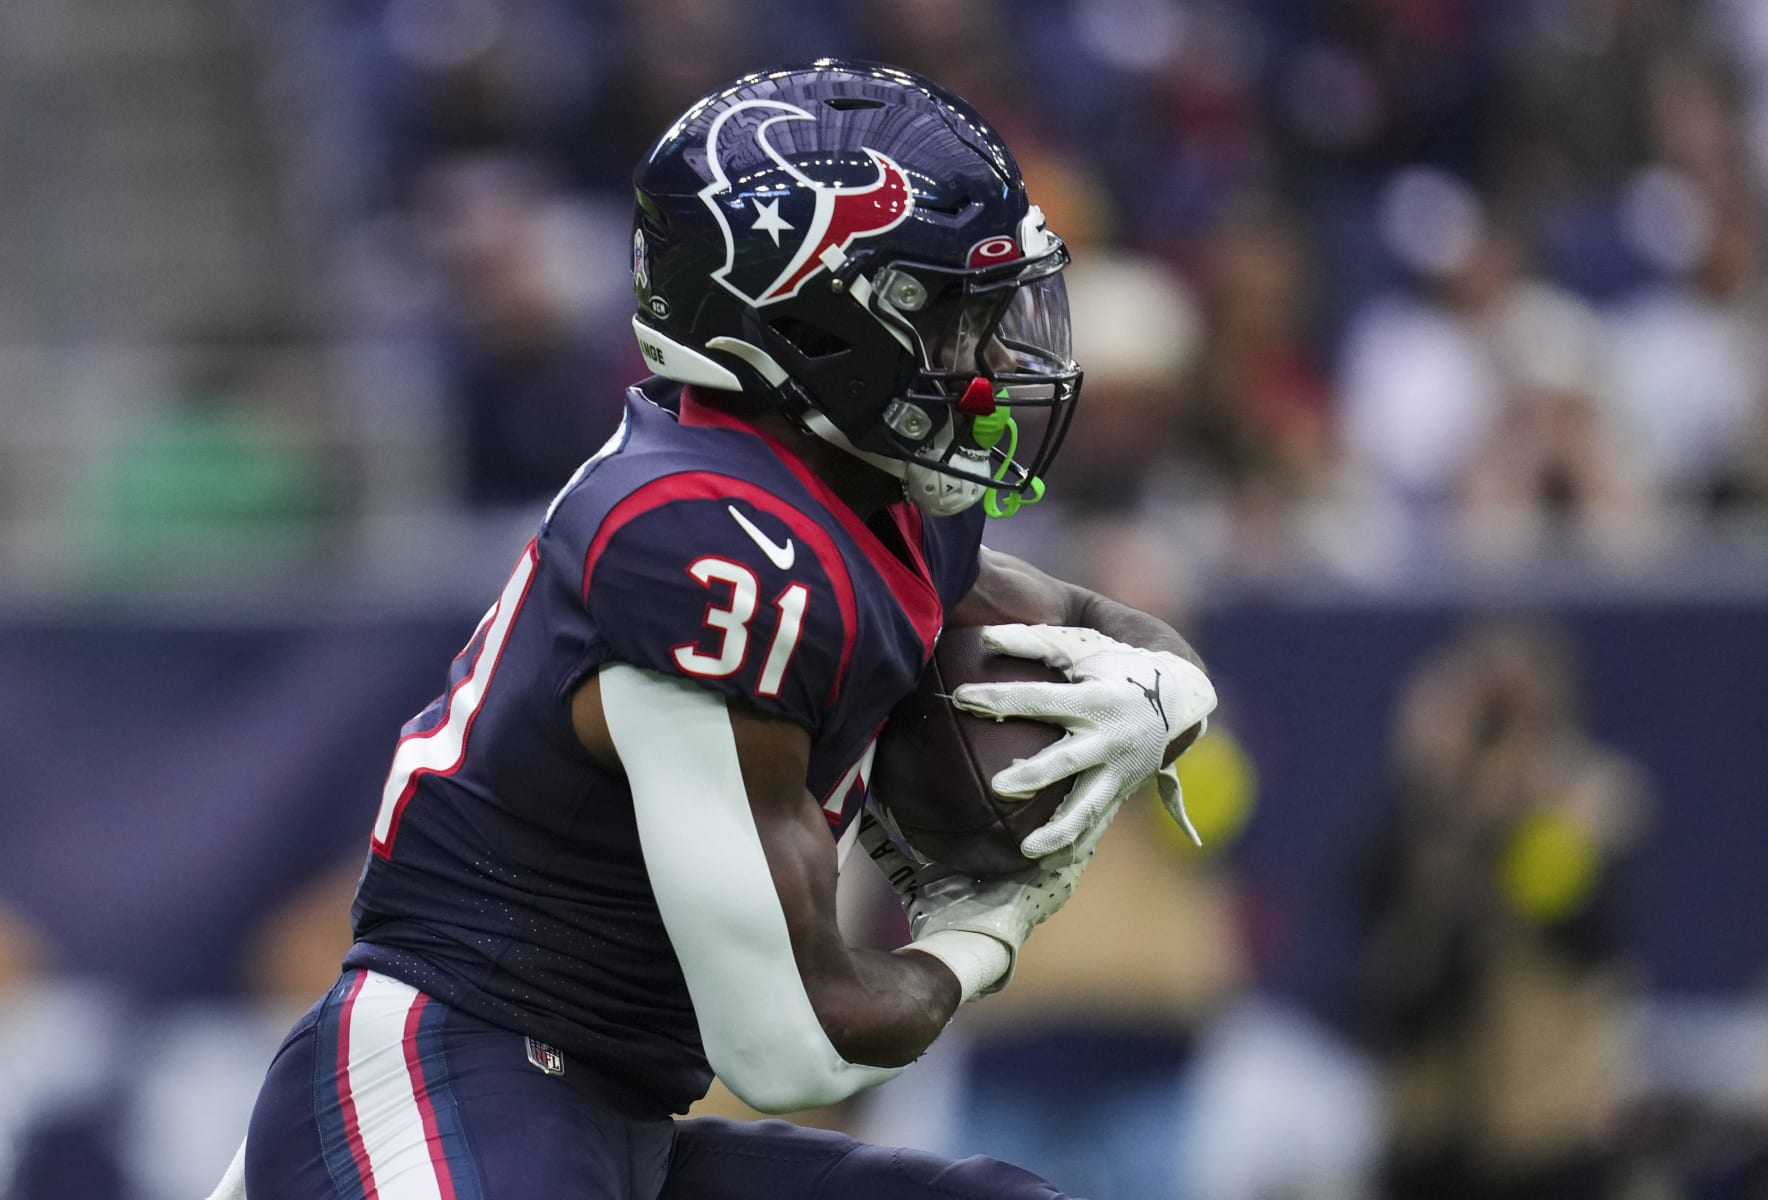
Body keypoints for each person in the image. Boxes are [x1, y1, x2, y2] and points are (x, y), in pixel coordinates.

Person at [214, 59, 1216, 1200]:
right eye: (947, 319)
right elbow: (789, 1046)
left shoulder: (873, 501)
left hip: (611, 1118)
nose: (984, 362)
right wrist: (987, 930)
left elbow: (1088, 620)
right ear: (817, 323)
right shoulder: (702, 544)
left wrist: (1168, 693)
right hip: (451, 1070)